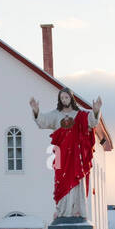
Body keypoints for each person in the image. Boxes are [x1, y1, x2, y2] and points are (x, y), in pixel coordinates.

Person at [29, 87, 103, 221]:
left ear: (71, 98)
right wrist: (36, 111)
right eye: (62, 98)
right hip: (61, 155)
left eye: (66, 97)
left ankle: (77, 210)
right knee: (61, 182)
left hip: (76, 156)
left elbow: (92, 121)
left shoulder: (80, 114)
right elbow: (42, 121)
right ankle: (62, 211)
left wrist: (96, 110)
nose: (64, 100)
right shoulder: (56, 115)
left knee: (76, 180)